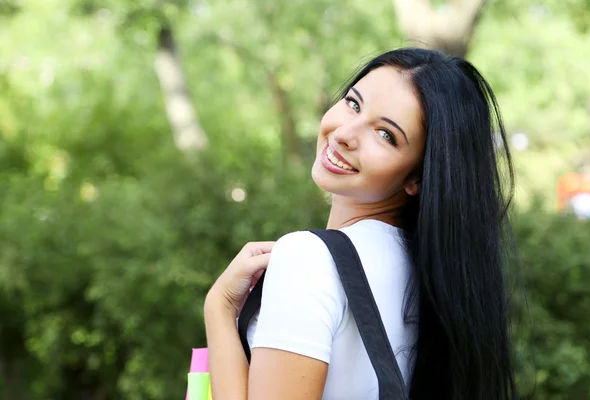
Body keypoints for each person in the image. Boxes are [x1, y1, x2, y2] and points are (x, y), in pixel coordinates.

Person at [204, 48, 519, 400]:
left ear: (417, 176)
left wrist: (219, 309)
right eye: (354, 103)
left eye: (386, 134)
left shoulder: (308, 259)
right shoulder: (431, 280)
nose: (344, 134)